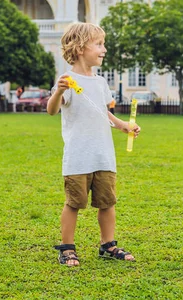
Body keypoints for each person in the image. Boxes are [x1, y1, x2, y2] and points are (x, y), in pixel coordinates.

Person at [47, 23, 141, 267]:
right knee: (74, 203)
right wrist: (58, 92)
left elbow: (103, 113)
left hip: (103, 155)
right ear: (79, 48)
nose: (104, 49)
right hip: (79, 156)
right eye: (98, 44)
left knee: (107, 202)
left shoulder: (100, 83)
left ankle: (107, 245)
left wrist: (122, 125)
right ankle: (67, 248)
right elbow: (52, 110)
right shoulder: (67, 80)